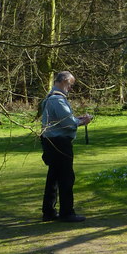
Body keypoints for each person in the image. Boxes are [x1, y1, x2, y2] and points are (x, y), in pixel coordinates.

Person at [40, 71, 93, 223]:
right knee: (66, 178)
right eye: (70, 84)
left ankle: (49, 212)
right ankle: (67, 213)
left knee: (53, 178)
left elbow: (61, 120)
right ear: (63, 81)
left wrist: (76, 119)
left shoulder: (49, 98)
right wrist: (83, 121)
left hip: (50, 142)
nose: (70, 88)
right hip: (60, 144)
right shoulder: (58, 100)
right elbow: (68, 123)